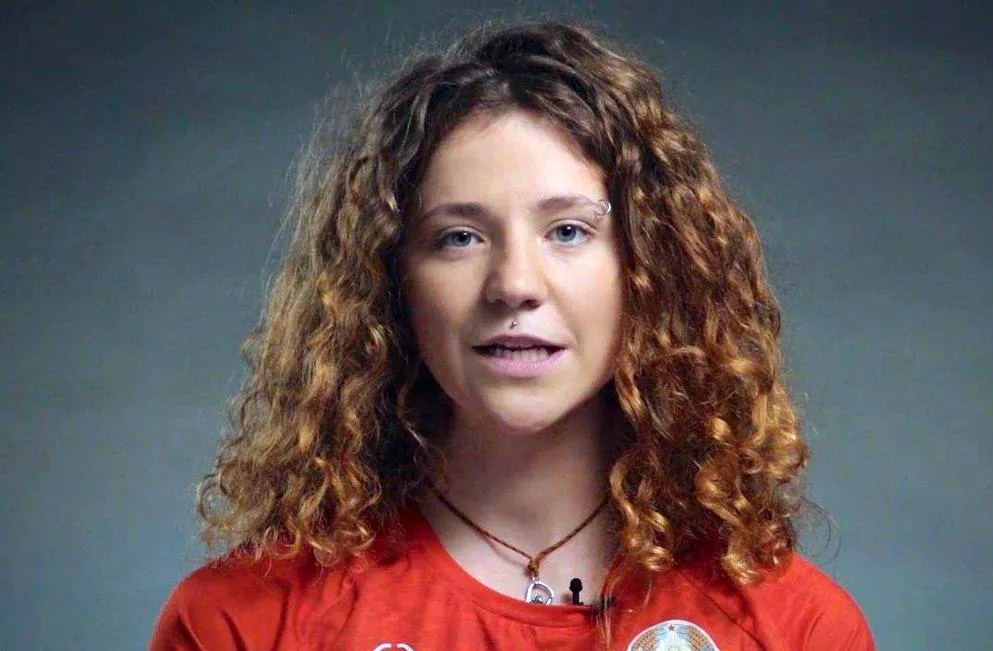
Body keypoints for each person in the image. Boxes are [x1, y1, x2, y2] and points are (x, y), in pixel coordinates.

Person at [149, 21, 875, 651]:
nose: (514, 283)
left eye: (569, 230)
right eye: (459, 236)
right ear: (391, 281)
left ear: (651, 266)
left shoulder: (795, 626)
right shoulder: (241, 622)